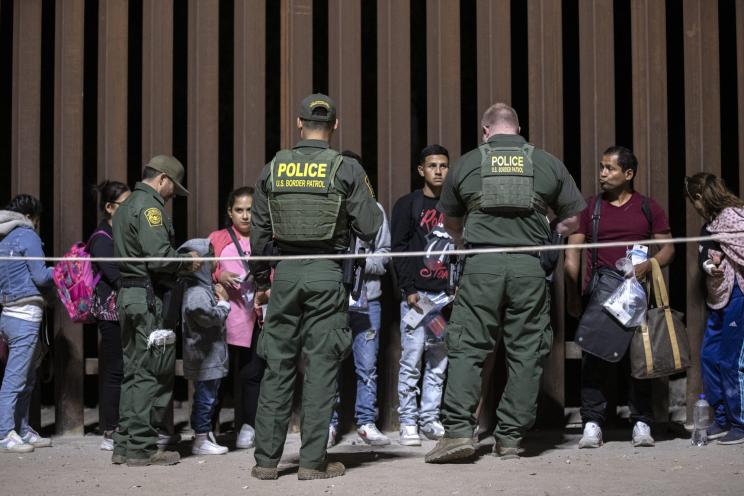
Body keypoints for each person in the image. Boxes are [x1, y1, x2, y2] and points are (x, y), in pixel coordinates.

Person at [425, 103, 586, 463]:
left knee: (468, 347)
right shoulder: (546, 163)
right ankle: (510, 438)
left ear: (486, 131)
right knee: (527, 352)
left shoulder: (467, 163)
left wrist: (469, 243)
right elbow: (572, 220)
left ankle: (457, 434)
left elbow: (451, 225)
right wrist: (548, 236)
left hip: (482, 265)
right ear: (518, 128)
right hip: (529, 267)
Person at [249, 93, 382, 480]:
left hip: (285, 273)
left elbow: (259, 234)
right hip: (326, 272)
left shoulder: (272, 168)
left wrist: (262, 281)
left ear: (299, 123)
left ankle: (266, 462)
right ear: (335, 126)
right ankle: (311, 463)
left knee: (277, 367)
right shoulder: (346, 168)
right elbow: (372, 226)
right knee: (322, 367)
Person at [564, 145, 674, 449]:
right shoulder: (590, 209)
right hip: (602, 293)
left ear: (628, 174)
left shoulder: (648, 208)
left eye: (609, 168)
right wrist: (573, 295)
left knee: (641, 355)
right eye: (601, 167)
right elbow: (571, 254)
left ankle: (641, 421)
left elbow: (669, 249)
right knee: (594, 356)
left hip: (638, 293)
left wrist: (646, 266)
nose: (602, 174)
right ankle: (592, 423)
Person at [112, 155, 200, 467]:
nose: (173, 194)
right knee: (151, 372)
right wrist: (189, 261)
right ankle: (142, 448)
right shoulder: (150, 209)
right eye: (173, 187)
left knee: (134, 372)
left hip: (128, 294)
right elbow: (159, 257)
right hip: (148, 297)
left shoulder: (124, 207)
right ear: (162, 179)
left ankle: (124, 444)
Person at [328, 150, 392, 448]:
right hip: (332, 299)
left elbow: (385, 255)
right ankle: (329, 423)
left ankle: (366, 422)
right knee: (328, 362)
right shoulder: (326, 207)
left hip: (368, 299)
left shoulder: (374, 209)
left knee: (367, 365)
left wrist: (361, 263)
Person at [391, 144, 451, 445]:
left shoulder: (455, 206)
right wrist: (409, 289)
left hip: (445, 299)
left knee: (439, 361)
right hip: (418, 298)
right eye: (432, 165)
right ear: (421, 170)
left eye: (443, 165)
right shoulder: (408, 205)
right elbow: (398, 249)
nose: (438, 171)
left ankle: (430, 418)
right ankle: (408, 422)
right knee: (412, 360)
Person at [685, 173, 744, 445]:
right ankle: (720, 417)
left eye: (692, 200)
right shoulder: (708, 226)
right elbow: (704, 255)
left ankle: (739, 422)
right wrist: (709, 266)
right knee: (709, 356)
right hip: (717, 296)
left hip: (738, 295)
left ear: (699, 197)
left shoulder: (734, 217)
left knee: (730, 361)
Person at [208, 187, 265, 450]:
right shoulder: (218, 238)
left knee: (253, 372)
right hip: (225, 315)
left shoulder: (265, 238)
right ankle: (207, 428)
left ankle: (248, 426)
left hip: (256, 314)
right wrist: (219, 277)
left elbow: (276, 270)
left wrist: (265, 286)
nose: (245, 216)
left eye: (250, 210)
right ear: (229, 212)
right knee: (219, 373)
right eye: (239, 210)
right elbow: (202, 269)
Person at [0, 195, 55, 453]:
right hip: (25, 316)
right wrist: (66, 270)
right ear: (32, 216)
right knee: (16, 379)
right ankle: (4, 433)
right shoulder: (28, 234)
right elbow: (42, 276)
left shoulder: (4, 236)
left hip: (8, 313)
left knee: (26, 377)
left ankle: (21, 429)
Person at [88, 180, 131, 451]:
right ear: (109, 207)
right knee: (114, 370)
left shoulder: (120, 233)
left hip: (124, 310)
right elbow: (115, 275)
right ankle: (110, 430)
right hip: (111, 313)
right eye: (124, 205)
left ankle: (122, 426)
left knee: (125, 369)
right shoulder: (101, 238)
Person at [178, 239, 232, 455]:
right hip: (205, 357)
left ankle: (204, 434)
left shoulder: (202, 288)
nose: (215, 260)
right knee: (206, 397)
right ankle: (201, 439)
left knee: (208, 396)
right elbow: (209, 317)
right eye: (210, 257)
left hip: (209, 356)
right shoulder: (197, 293)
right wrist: (224, 303)